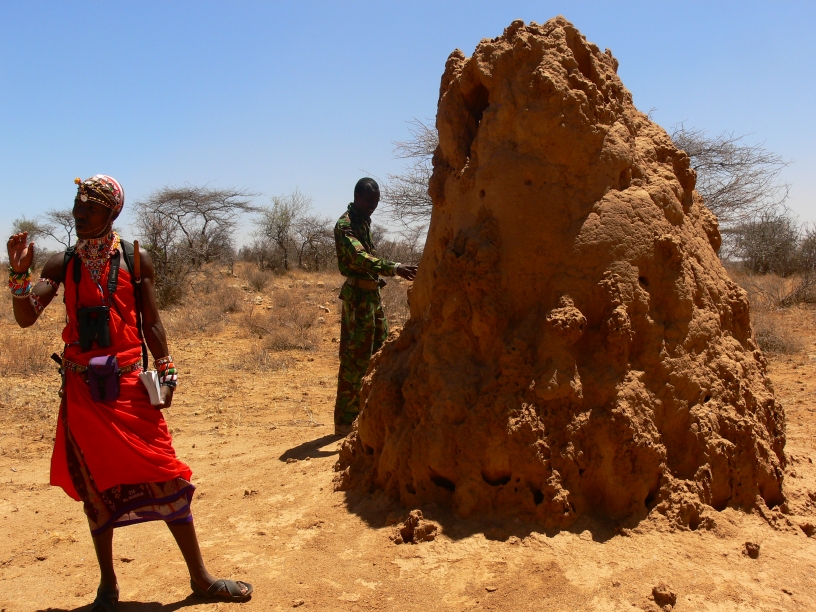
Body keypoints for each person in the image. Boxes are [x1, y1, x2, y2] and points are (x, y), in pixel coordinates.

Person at [7, 176, 252, 611]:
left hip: (129, 388)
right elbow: (27, 318)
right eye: (78, 205)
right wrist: (18, 273)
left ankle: (200, 577)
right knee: (95, 486)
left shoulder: (135, 260)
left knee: (166, 469)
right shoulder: (62, 263)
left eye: (91, 208)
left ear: (112, 212)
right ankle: (108, 587)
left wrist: (167, 369)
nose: (80, 214)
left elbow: (151, 322)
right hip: (83, 393)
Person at [333, 178, 418, 435]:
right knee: (355, 360)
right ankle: (345, 423)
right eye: (369, 200)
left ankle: (370, 413)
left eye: (376, 201)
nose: (373, 206)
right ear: (357, 196)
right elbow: (360, 257)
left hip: (372, 296)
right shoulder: (345, 225)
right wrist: (394, 268)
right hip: (357, 299)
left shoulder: (364, 222)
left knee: (382, 351)